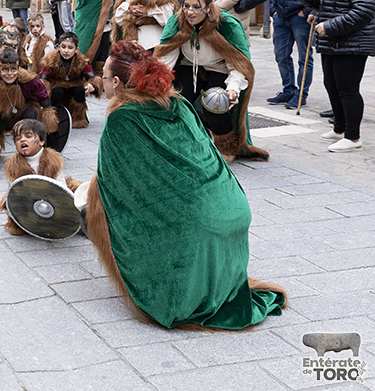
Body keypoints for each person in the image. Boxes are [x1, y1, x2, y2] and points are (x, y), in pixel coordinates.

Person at [83, 40, 286, 329]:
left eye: (103, 77)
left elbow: (116, 186)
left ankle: (183, 293)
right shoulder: (179, 103)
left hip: (197, 223)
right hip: (233, 209)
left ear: (116, 82)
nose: (102, 82)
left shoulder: (122, 118)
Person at [154, 0, 268, 162]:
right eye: (186, 6)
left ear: (208, 8)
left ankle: (227, 145)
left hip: (219, 68)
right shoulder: (177, 22)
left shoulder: (226, 25)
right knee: (177, 100)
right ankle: (189, 142)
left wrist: (233, 88)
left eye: (197, 7)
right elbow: (165, 57)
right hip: (188, 65)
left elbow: (239, 63)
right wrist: (157, 83)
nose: (190, 12)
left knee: (215, 104)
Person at [293, 0, 375, 152]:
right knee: (331, 85)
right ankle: (339, 128)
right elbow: (321, 0)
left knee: (348, 90)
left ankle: (353, 137)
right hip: (332, 43)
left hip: (352, 45)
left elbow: (362, 14)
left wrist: (329, 26)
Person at [0, 119, 67, 236]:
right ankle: (21, 223)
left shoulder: (53, 160)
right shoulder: (14, 164)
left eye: (28, 136)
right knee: (9, 200)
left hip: (51, 196)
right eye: (18, 139)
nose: (22, 140)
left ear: (41, 141)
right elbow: (15, 189)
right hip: (28, 198)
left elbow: (60, 184)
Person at [38, 32, 102, 129]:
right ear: (59, 47)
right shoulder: (49, 59)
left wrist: (92, 85)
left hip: (74, 88)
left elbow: (92, 76)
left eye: (70, 48)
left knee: (80, 90)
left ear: (76, 50)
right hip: (56, 88)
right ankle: (55, 117)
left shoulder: (82, 61)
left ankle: (78, 118)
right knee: (57, 91)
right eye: (63, 47)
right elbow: (43, 78)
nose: (66, 51)